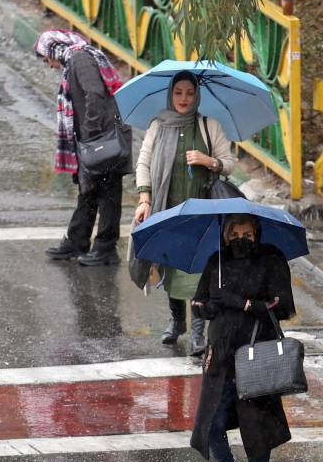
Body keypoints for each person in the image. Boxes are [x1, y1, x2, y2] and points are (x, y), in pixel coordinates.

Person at [190, 213, 295, 462]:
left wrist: (245, 303)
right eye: (234, 233)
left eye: (247, 233)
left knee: (256, 425)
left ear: (257, 233)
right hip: (219, 353)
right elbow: (200, 304)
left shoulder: (271, 259)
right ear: (225, 235)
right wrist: (213, 303)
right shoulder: (216, 261)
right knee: (210, 421)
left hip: (256, 353)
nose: (240, 239)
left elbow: (283, 305)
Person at [134, 70, 234, 356]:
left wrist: (209, 161)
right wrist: (145, 198)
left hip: (201, 210)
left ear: (197, 95)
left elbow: (229, 164)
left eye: (190, 93)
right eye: (178, 92)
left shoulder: (207, 125)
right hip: (167, 208)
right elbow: (143, 163)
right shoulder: (158, 126)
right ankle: (177, 320)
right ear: (170, 93)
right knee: (171, 265)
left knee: (198, 270)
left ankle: (199, 331)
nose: (184, 99)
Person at [35, 29, 128, 266]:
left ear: (53, 49)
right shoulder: (75, 59)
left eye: (47, 58)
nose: (50, 64)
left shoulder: (79, 59)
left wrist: (91, 132)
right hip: (96, 138)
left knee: (106, 193)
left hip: (101, 139)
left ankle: (105, 248)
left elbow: (95, 94)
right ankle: (77, 241)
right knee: (89, 191)